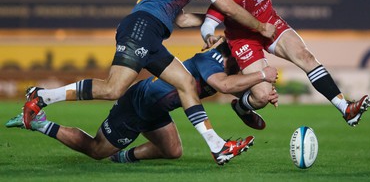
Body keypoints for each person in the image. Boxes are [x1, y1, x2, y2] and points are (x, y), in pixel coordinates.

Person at [21, 0, 277, 164]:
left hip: (147, 31)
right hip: (143, 29)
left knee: (185, 82)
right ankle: (43, 95)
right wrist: (257, 25)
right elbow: (228, 7)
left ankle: (217, 146)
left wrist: (217, 21)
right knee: (113, 89)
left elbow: (181, 20)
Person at [7, 40, 279, 165]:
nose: (248, 63)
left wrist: (256, 99)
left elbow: (234, 88)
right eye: (247, 57)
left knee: (173, 151)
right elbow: (223, 85)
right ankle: (40, 124)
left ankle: (122, 156)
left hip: (156, 108)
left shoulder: (227, 66)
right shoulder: (213, 62)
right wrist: (262, 75)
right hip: (138, 104)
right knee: (95, 150)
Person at [200, 0, 370, 127]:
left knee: (305, 56)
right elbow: (209, 21)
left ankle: (346, 108)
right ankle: (241, 107)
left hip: (270, 24)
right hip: (244, 39)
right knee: (263, 97)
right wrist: (208, 36)